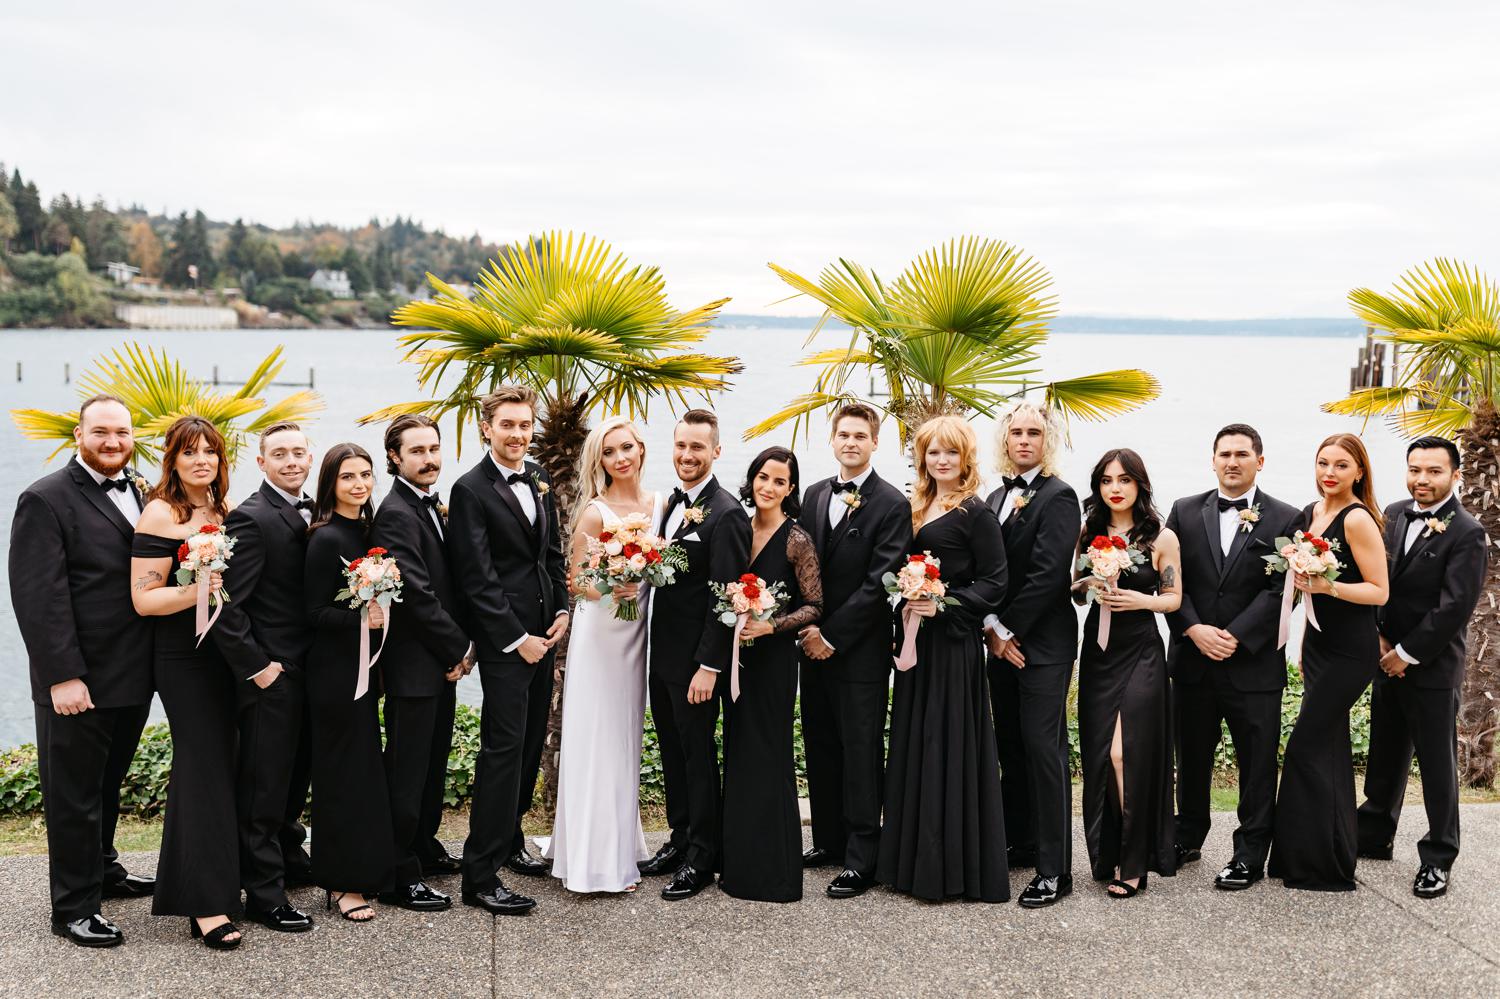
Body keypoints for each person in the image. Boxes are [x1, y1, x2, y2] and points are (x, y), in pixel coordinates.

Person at [10, 395, 155, 948]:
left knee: (108, 783)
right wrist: (62, 676)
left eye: (121, 432)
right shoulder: (44, 499)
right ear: (79, 435)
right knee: (73, 795)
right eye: (101, 432)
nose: (113, 441)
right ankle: (73, 907)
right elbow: (37, 597)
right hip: (79, 681)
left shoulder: (142, 492)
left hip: (132, 677)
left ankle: (106, 871)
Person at [876, 415, 1009, 903]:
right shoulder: (913, 505)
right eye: (933, 452)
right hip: (916, 645)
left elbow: (996, 582)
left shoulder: (976, 512)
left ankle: (948, 868)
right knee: (915, 741)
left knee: (946, 744)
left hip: (953, 646)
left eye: (950, 452)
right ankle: (909, 863)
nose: (941, 461)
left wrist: (944, 603)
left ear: (965, 457)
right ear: (922, 458)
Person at [1164, 424, 1300, 890]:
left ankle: (1249, 854)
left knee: (1257, 764)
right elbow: (1168, 580)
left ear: (1260, 461)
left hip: (1253, 666)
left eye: (1242, 454)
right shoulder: (1182, 511)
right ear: (1213, 459)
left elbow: (1284, 589)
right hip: (1193, 661)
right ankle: (1187, 835)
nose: (1232, 461)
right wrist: (1194, 629)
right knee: (1192, 756)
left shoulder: (1285, 517)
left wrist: (1236, 636)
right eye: (1224, 453)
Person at [450, 386, 570, 915]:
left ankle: (511, 841)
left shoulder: (540, 475)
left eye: (525, 425)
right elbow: (476, 579)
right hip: (508, 645)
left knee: (525, 751)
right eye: (508, 425)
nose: (518, 434)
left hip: (545, 636)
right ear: (487, 428)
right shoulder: (469, 489)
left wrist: (563, 609)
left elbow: (551, 551)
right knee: (501, 754)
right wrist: (516, 639)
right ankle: (479, 875)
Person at [1357, 436, 1487, 899]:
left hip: (1430, 666)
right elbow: (1374, 578)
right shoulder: (1391, 512)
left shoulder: (1467, 531)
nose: (1421, 479)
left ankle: (1438, 856)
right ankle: (1373, 833)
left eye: (1433, 471)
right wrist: (1378, 638)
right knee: (1384, 751)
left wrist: (1405, 653)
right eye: (1415, 469)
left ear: (1455, 475)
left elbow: (1455, 608)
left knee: (1436, 764)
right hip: (1383, 655)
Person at [129, 416, 240, 949]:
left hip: (225, 654)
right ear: (172, 460)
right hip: (182, 657)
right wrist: (197, 591)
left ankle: (221, 880)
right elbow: (145, 599)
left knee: (225, 765)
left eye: (210, 453)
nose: (202, 461)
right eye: (190, 452)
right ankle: (204, 904)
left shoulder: (224, 511)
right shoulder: (161, 512)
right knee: (200, 768)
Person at [796, 403, 911, 899]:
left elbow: (881, 583)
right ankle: (829, 840)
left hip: (857, 649)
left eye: (860, 435)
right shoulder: (814, 493)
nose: (851, 442)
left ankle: (863, 856)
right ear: (833, 439)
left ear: (875, 442)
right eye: (843, 434)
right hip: (809, 643)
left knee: (861, 748)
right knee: (820, 740)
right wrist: (803, 628)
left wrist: (831, 634)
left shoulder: (891, 503)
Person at [1268, 433, 1389, 891]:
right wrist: (1297, 637)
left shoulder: (1357, 519)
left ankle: (1321, 863)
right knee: (1330, 749)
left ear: (1359, 471)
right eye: (1323, 463)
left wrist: (1328, 588)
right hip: (1318, 645)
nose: (1329, 473)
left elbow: (1379, 591)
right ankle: (1318, 858)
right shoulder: (1312, 512)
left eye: (1341, 465)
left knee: (1305, 747)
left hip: (1350, 650)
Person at [209, 422, 317, 933]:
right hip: (271, 675)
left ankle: (290, 861)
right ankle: (264, 894)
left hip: (310, 672)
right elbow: (225, 604)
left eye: (299, 452)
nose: (292, 461)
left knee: (295, 778)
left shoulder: (315, 510)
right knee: (263, 787)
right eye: (280, 454)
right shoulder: (251, 519)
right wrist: (258, 668)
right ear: (261, 463)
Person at [546, 417, 657, 894]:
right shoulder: (594, 512)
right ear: (600, 460)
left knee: (626, 735)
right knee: (598, 736)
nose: (620, 458)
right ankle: (594, 860)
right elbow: (577, 583)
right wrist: (617, 581)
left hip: (638, 635)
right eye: (610, 452)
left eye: (626, 448)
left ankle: (622, 845)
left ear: (641, 449)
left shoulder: (661, 505)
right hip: (601, 636)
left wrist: (646, 575)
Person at [644, 409, 751, 901]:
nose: (688, 456)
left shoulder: (726, 513)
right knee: (673, 752)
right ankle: (681, 837)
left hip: (695, 665)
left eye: (698, 448)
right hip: (662, 656)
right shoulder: (670, 503)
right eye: (681, 446)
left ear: (716, 452)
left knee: (698, 755)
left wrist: (710, 665)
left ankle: (703, 857)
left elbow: (725, 596)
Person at [982, 402, 1080, 908]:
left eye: (1034, 433)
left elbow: (1047, 576)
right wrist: (988, 628)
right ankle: (1020, 842)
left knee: (1044, 751)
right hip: (999, 643)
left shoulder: (1059, 497)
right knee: (1012, 748)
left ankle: (1054, 869)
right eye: (1016, 432)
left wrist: (1004, 627)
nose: (1024, 440)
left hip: (1041, 646)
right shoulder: (997, 495)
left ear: (1048, 441)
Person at [372, 415, 471, 911]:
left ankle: (424, 845)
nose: (429, 458)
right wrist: (460, 648)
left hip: (438, 664)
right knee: (408, 772)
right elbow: (415, 592)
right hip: (415, 665)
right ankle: (397, 871)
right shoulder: (395, 512)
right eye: (417, 451)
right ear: (395, 457)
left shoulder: (428, 504)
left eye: (433, 449)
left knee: (432, 763)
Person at [1074, 449, 1181, 897]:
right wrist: (1088, 584)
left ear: (1140, 484)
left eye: (1124, 479)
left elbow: (1172, 599)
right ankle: (1110, 854)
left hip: (1141, 649)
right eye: (1105, 480)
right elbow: (1075, 595)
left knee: (1125, 754)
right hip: (1099, 652)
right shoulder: (1089, 532)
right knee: (1100, 757)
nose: (1114, 488)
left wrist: (1141, 601)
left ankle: (1135, 863)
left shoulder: (1161, 537)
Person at [720, 447, 823, 903]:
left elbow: (815, 604)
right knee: (740, 753)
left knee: (770, 754)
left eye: (780, 482)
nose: (769, 487)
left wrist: (771, 625)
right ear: (753, 478)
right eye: (763, 477)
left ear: (791, 489)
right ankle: (739, 867)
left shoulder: (795, 539)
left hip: (775, 662)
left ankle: (777, 875)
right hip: (736, 659)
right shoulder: (736, 528)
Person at [303, 443, 396, 921]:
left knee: (363, 774)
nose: (359, 485)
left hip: (364, 671)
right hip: (334, 677)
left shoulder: (367, 532)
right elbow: (314, 612)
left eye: (365, 476)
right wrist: (362, 621)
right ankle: (341, 885)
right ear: (330, 485)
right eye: (348, 478)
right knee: (341, 777)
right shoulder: (325, 539)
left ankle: (364, 869)